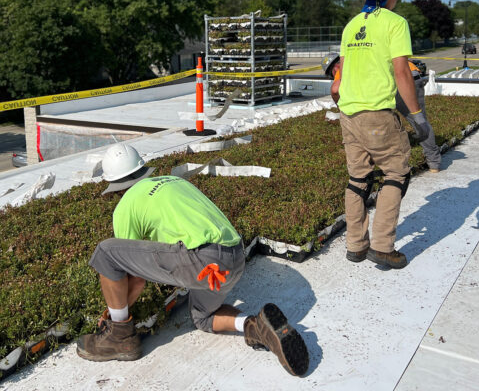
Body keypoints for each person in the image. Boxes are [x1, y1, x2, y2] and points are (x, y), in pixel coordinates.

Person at [77, 142, 309, 376]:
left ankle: (118, 336)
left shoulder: (126, 205)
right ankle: (256, 326)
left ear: (116, 187)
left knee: (106, 252)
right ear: (143, 170)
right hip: (234, 259)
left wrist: (113, 313)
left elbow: (134, 279)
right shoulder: (175, 181)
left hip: (203, 260)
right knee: (203, 318)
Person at [335, 0, 429, 270]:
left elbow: (341, 77)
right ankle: (383, 246)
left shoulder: (351, 26)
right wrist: (416, 115)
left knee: (358, 178)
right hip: (377, 113)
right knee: (397, 172)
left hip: (348, 114)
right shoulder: (395, 23)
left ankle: (355, 246)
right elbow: (402, 72)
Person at [323, 54, 442, 173]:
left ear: (334, 68)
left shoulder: (343, 66)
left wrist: (341, 108)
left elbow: (335, 90)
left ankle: (390, 161)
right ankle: (434, 163)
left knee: (379, 120)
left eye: (331, 75)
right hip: (410, 74)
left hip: (399, 80)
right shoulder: (360, 55)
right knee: (419, 119)